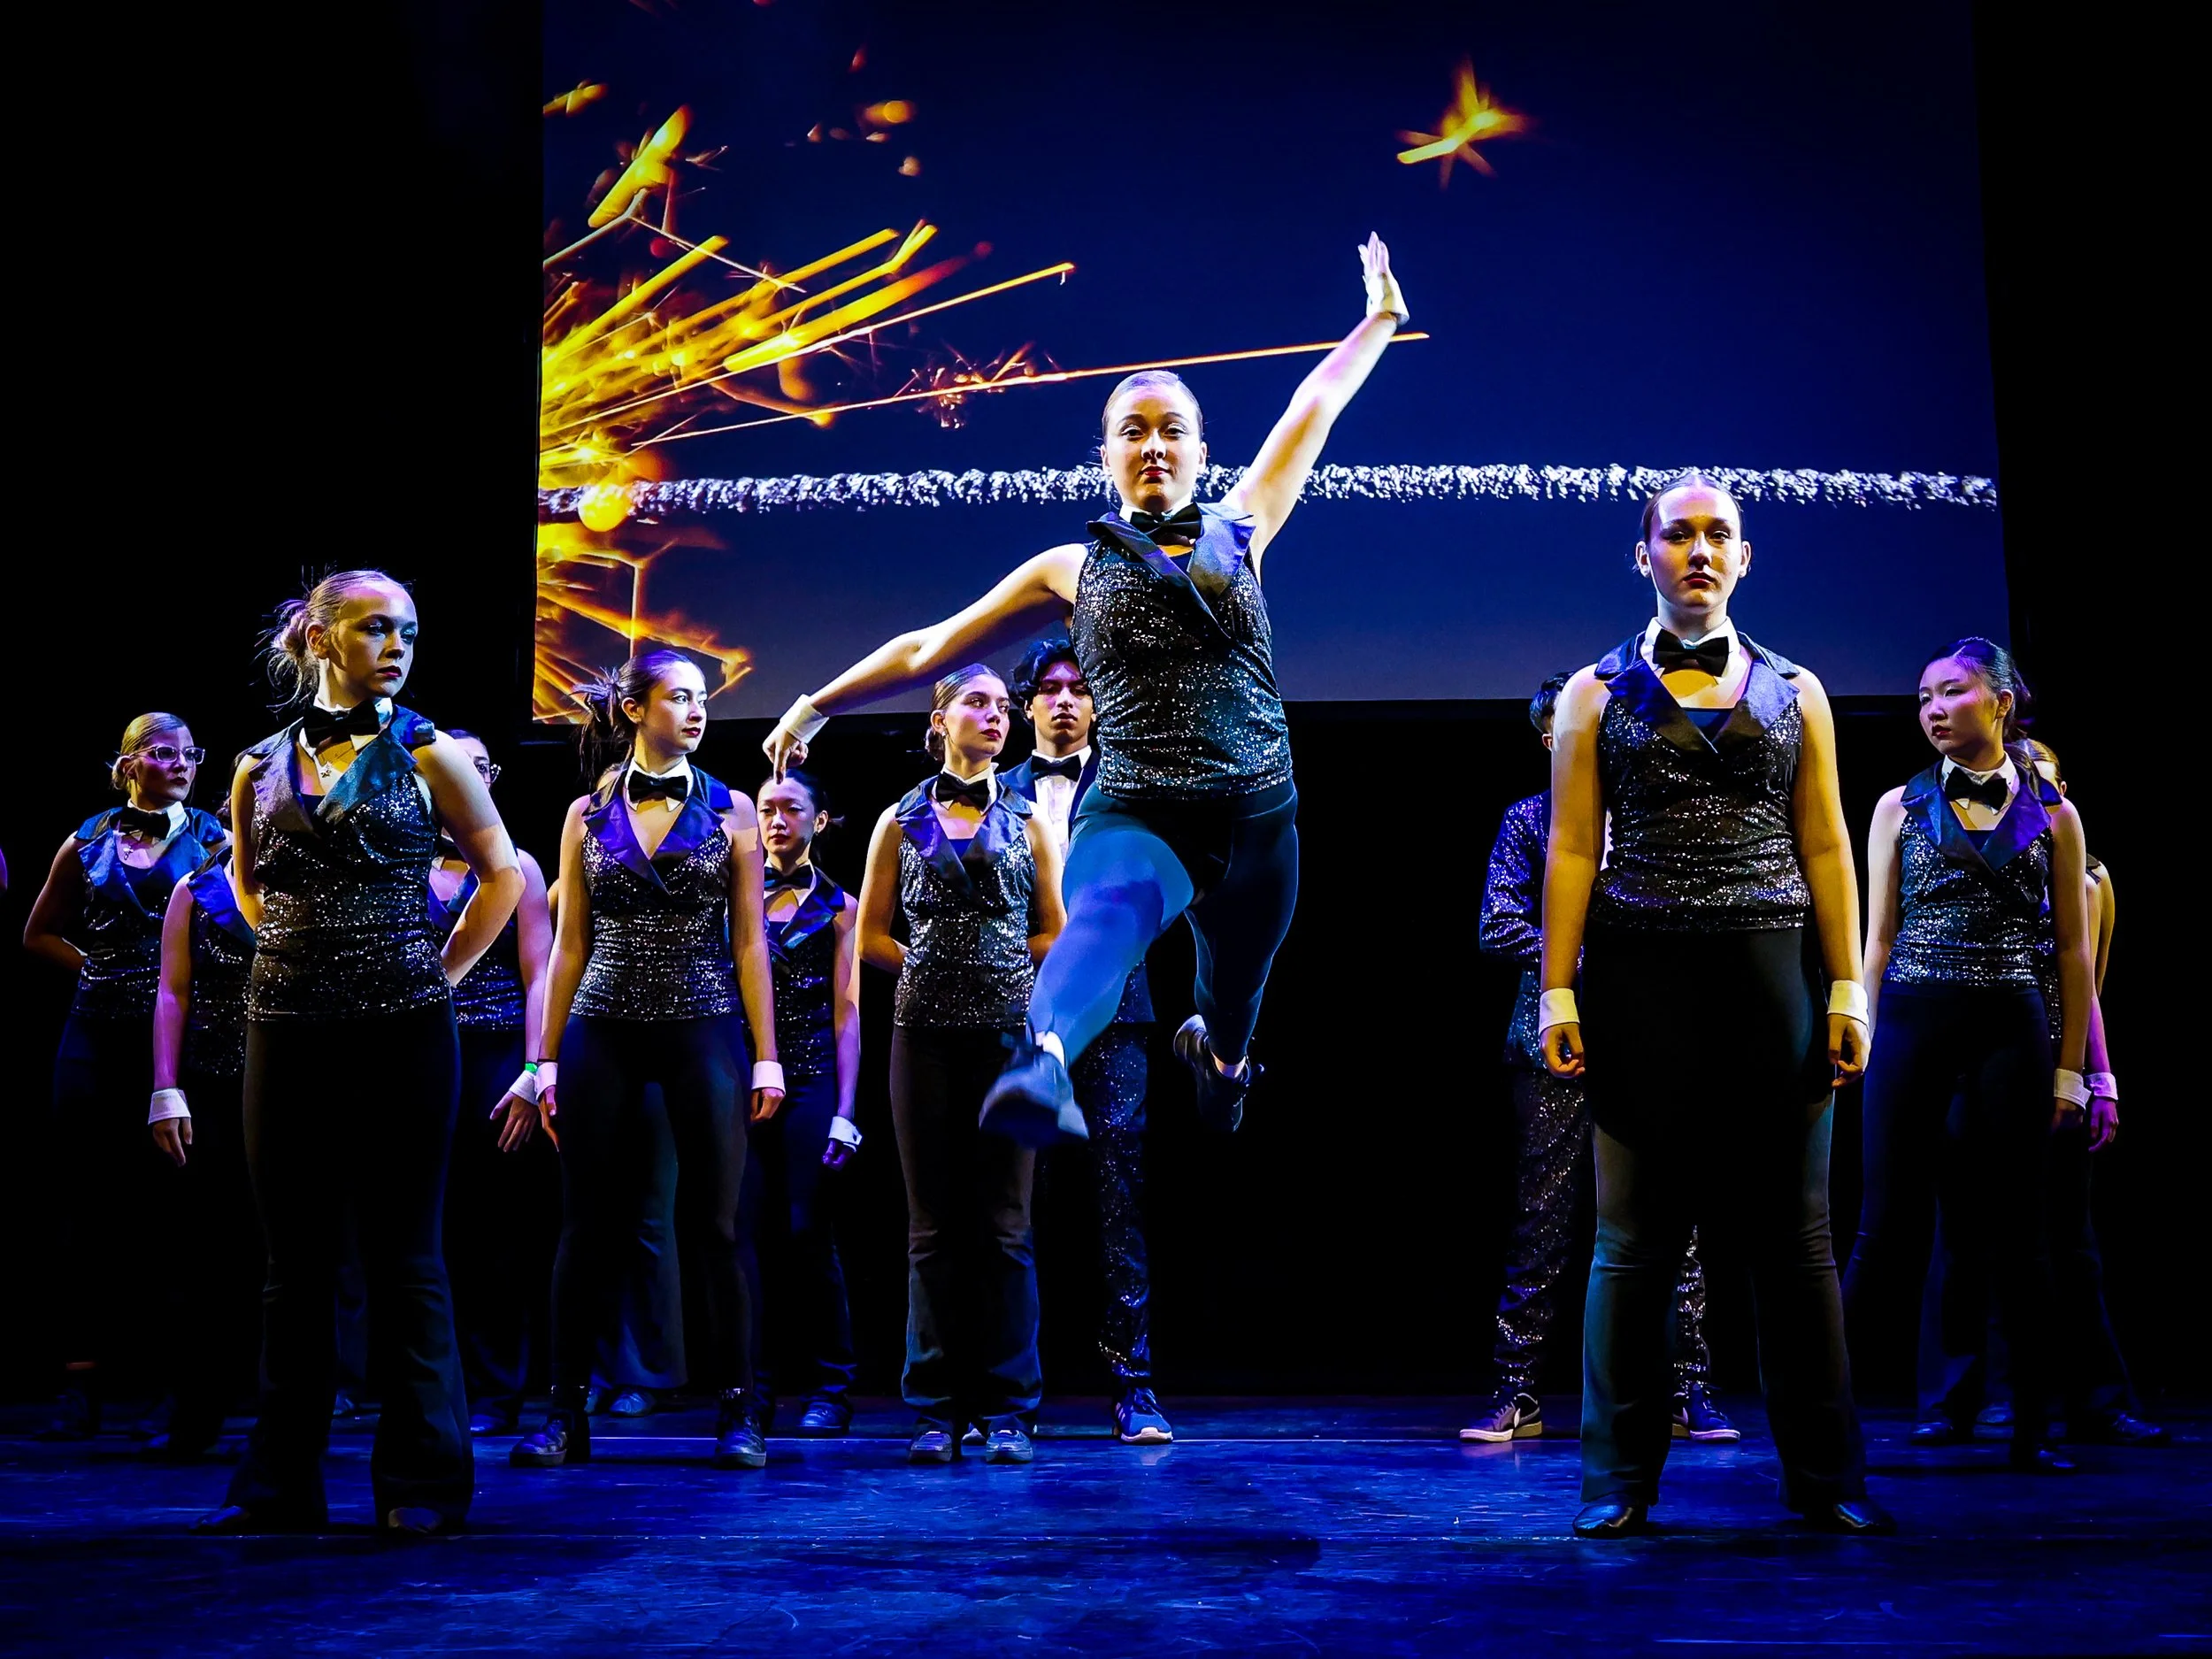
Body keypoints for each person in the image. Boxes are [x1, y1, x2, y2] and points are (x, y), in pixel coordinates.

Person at [766, 235, 1410, 1145]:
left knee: (1234, 995)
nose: (1153, 444)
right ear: (1104, 453)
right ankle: (1044, 1062)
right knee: (1102, 917)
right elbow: (933, 646)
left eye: (1171, 429)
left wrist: (1380, 316)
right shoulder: (1071, 567)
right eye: (1133, 431)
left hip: (1260, 822)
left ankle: (1222, 1058)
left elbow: (1316, 401)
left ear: (1200, 450)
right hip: (1142, 813)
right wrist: (817, 701)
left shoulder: (1244, 524)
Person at [1540, 472, 1889, 1538]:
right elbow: (1567, 849)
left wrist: (1844, 987)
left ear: (1744, 558)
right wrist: (1557, 988)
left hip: (1771, 973)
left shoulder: (1799, 689)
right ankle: (1615, 1482)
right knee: (1632, 1244)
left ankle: (1826, 1482)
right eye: (1676, 534)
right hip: (1640, 980)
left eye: (1717, 535)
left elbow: (1827, 844)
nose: (1698, 550)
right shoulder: (1591, 693)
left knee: (1795, 1244)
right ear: (1640, 555)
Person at [197, 569, 522, 1535]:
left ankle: (422, 1484)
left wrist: (438, 974)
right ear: (323, 639)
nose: (397, 646)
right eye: (377, 629)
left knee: (405, 1255)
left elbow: (501, 876)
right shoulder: (257, 764)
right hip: (285, 1024)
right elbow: (247, 885)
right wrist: (295, 954)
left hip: (403, 1027)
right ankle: (279, 1486)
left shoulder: (429, 752)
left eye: (409, 633)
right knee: (291, 1262)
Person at [511, 649, 784, 1472]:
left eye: (704, 699)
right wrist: (545, 1058)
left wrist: (766, 1055)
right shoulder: (584, 815)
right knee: (586, 1223)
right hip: (604, 1019)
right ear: (635, 709)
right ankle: (564, 1413)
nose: (698, 711)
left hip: (703, 1020)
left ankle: (739, 1408)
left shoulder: (735, 810)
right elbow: (568, 946)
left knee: (718, 1222)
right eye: (680, 697)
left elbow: (749, 942)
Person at [1465, 674, 1734, 1446]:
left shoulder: (1649, 817)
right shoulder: (1529, 819)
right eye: (1565, 729)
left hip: (1651, 1039)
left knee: (1672, 1215)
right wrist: (1595, 959)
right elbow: (1498, 925)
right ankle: (1515, 1390)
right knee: (1542, 1221)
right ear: (1550, 739)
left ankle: (1690, 1388)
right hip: (1551, 1045)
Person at [855, 665, 1065, 1463]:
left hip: (1008, 1033)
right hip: (924, 1035)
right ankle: (937, 1406)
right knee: (932, 1227)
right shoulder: (897, 821)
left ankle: (1010, 1405)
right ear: (939, 718)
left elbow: (1053, 927)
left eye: (1004, 707)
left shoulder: (1030, 821)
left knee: (1007, 1226)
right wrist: (931, 964)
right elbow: (870, 934)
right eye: (978, 702)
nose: (997, 716)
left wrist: (1007, 966)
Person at [24, 715, 227, 1439]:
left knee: (179, 1211)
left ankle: (181, 1387)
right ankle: (81, 1381)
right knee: (86, 1208)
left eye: (189, 753)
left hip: (176, 1044)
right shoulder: (87, 841)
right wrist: (102, 971)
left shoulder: (216, 839)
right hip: (95, 1039)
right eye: (164, 751)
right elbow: (37, 932)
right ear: (128, 763)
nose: (180, 762)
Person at [1002, 636, 1171, 1445]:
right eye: (1049, 688)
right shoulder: (993, 794)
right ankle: (1009, 1393)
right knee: (1013, 1202)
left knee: (1120, 1195)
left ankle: (1132, 1383)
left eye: (1079, 687)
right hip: (1022, 1019)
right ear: (1026, 703)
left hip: (1123, 1011)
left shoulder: (1136, 784)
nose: (1065, 700)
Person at [434, 730, 557, 1437]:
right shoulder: (396, 863)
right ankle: (430, 1385)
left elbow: (540, 969)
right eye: (462, 767)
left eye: (484, 767)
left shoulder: (519, 865)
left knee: (497, 1232)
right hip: (420, 1051)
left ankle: (496, 1388)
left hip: (496, 1057)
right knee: (427, 1226)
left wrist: (533, 1069)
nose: (473, 777)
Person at [742, 768, 862, 1434]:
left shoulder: (840, 906)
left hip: (813, 1074)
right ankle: (752, 1389)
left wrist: (846, 1110)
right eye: (767, 808)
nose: (777, 819)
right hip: (744, 1077)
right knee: (746, 1235)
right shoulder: (734, 899)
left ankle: (831, 1385)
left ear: (819, 821)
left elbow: (846, 1014)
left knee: (808, 1230)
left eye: (791, 808)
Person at [145, 825, 263, 1459]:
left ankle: (288, 1410)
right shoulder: (196, 889)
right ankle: (198, 1409)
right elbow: (173, 990)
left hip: (291, 1086)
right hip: (212, 1087)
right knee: (206, 1253)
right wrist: (166, 1087)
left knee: (287, 1254)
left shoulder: (311, 886)